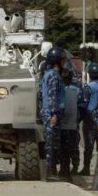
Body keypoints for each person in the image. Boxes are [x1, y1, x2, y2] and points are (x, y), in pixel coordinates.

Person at [39, 46, 66, 181]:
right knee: (51, 143)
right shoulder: (54, 76)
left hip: (47, 112)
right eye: (63, 59)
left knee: (52, 142)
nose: (64, 61)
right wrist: (54, 114)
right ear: (58, 60)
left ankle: (51, 171)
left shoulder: (47, 74)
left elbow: (40, 95)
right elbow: (52, 96)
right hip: (52, 114)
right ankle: (50, 173)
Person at [60, 65, 86, 180]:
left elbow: (81, 106)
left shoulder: (60, 90)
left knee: (67, 147)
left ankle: (67, 169)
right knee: (72, 147)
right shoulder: (76, 90)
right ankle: (70, 168)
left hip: (67, 123)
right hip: (71, 123)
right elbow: (82, 107)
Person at [81, 63, 98, 177]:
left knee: (89, 147)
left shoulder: (88, 87)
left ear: (89, 74)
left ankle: (86, 168)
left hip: (90, 120)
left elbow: (84, 104)